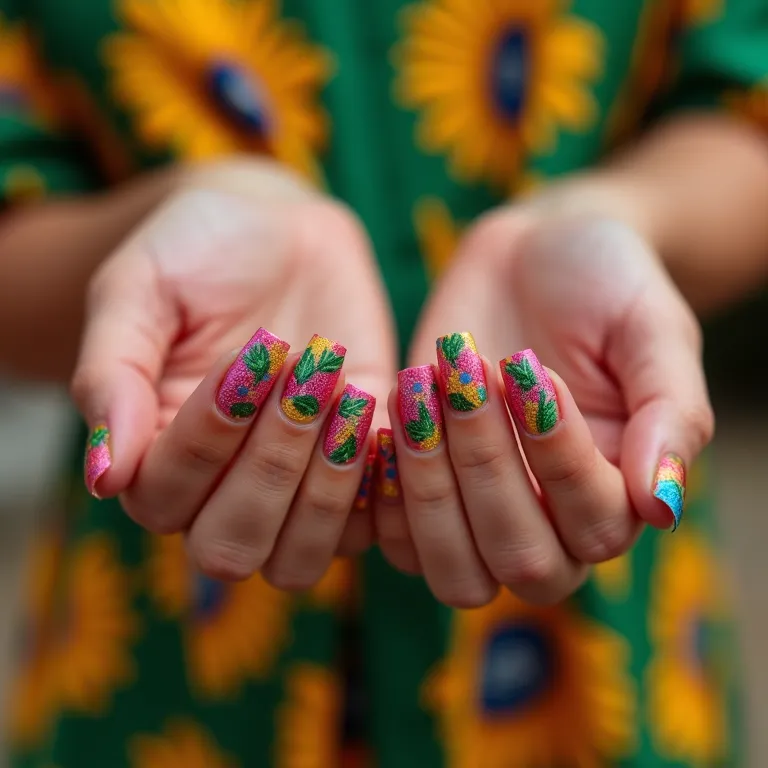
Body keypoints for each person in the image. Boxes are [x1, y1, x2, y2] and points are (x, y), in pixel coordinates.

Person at [1, 0, 767, 765]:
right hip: (164, 643)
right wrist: (158, 232)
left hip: (594, 638)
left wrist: (626, 213)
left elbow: (745, 110)